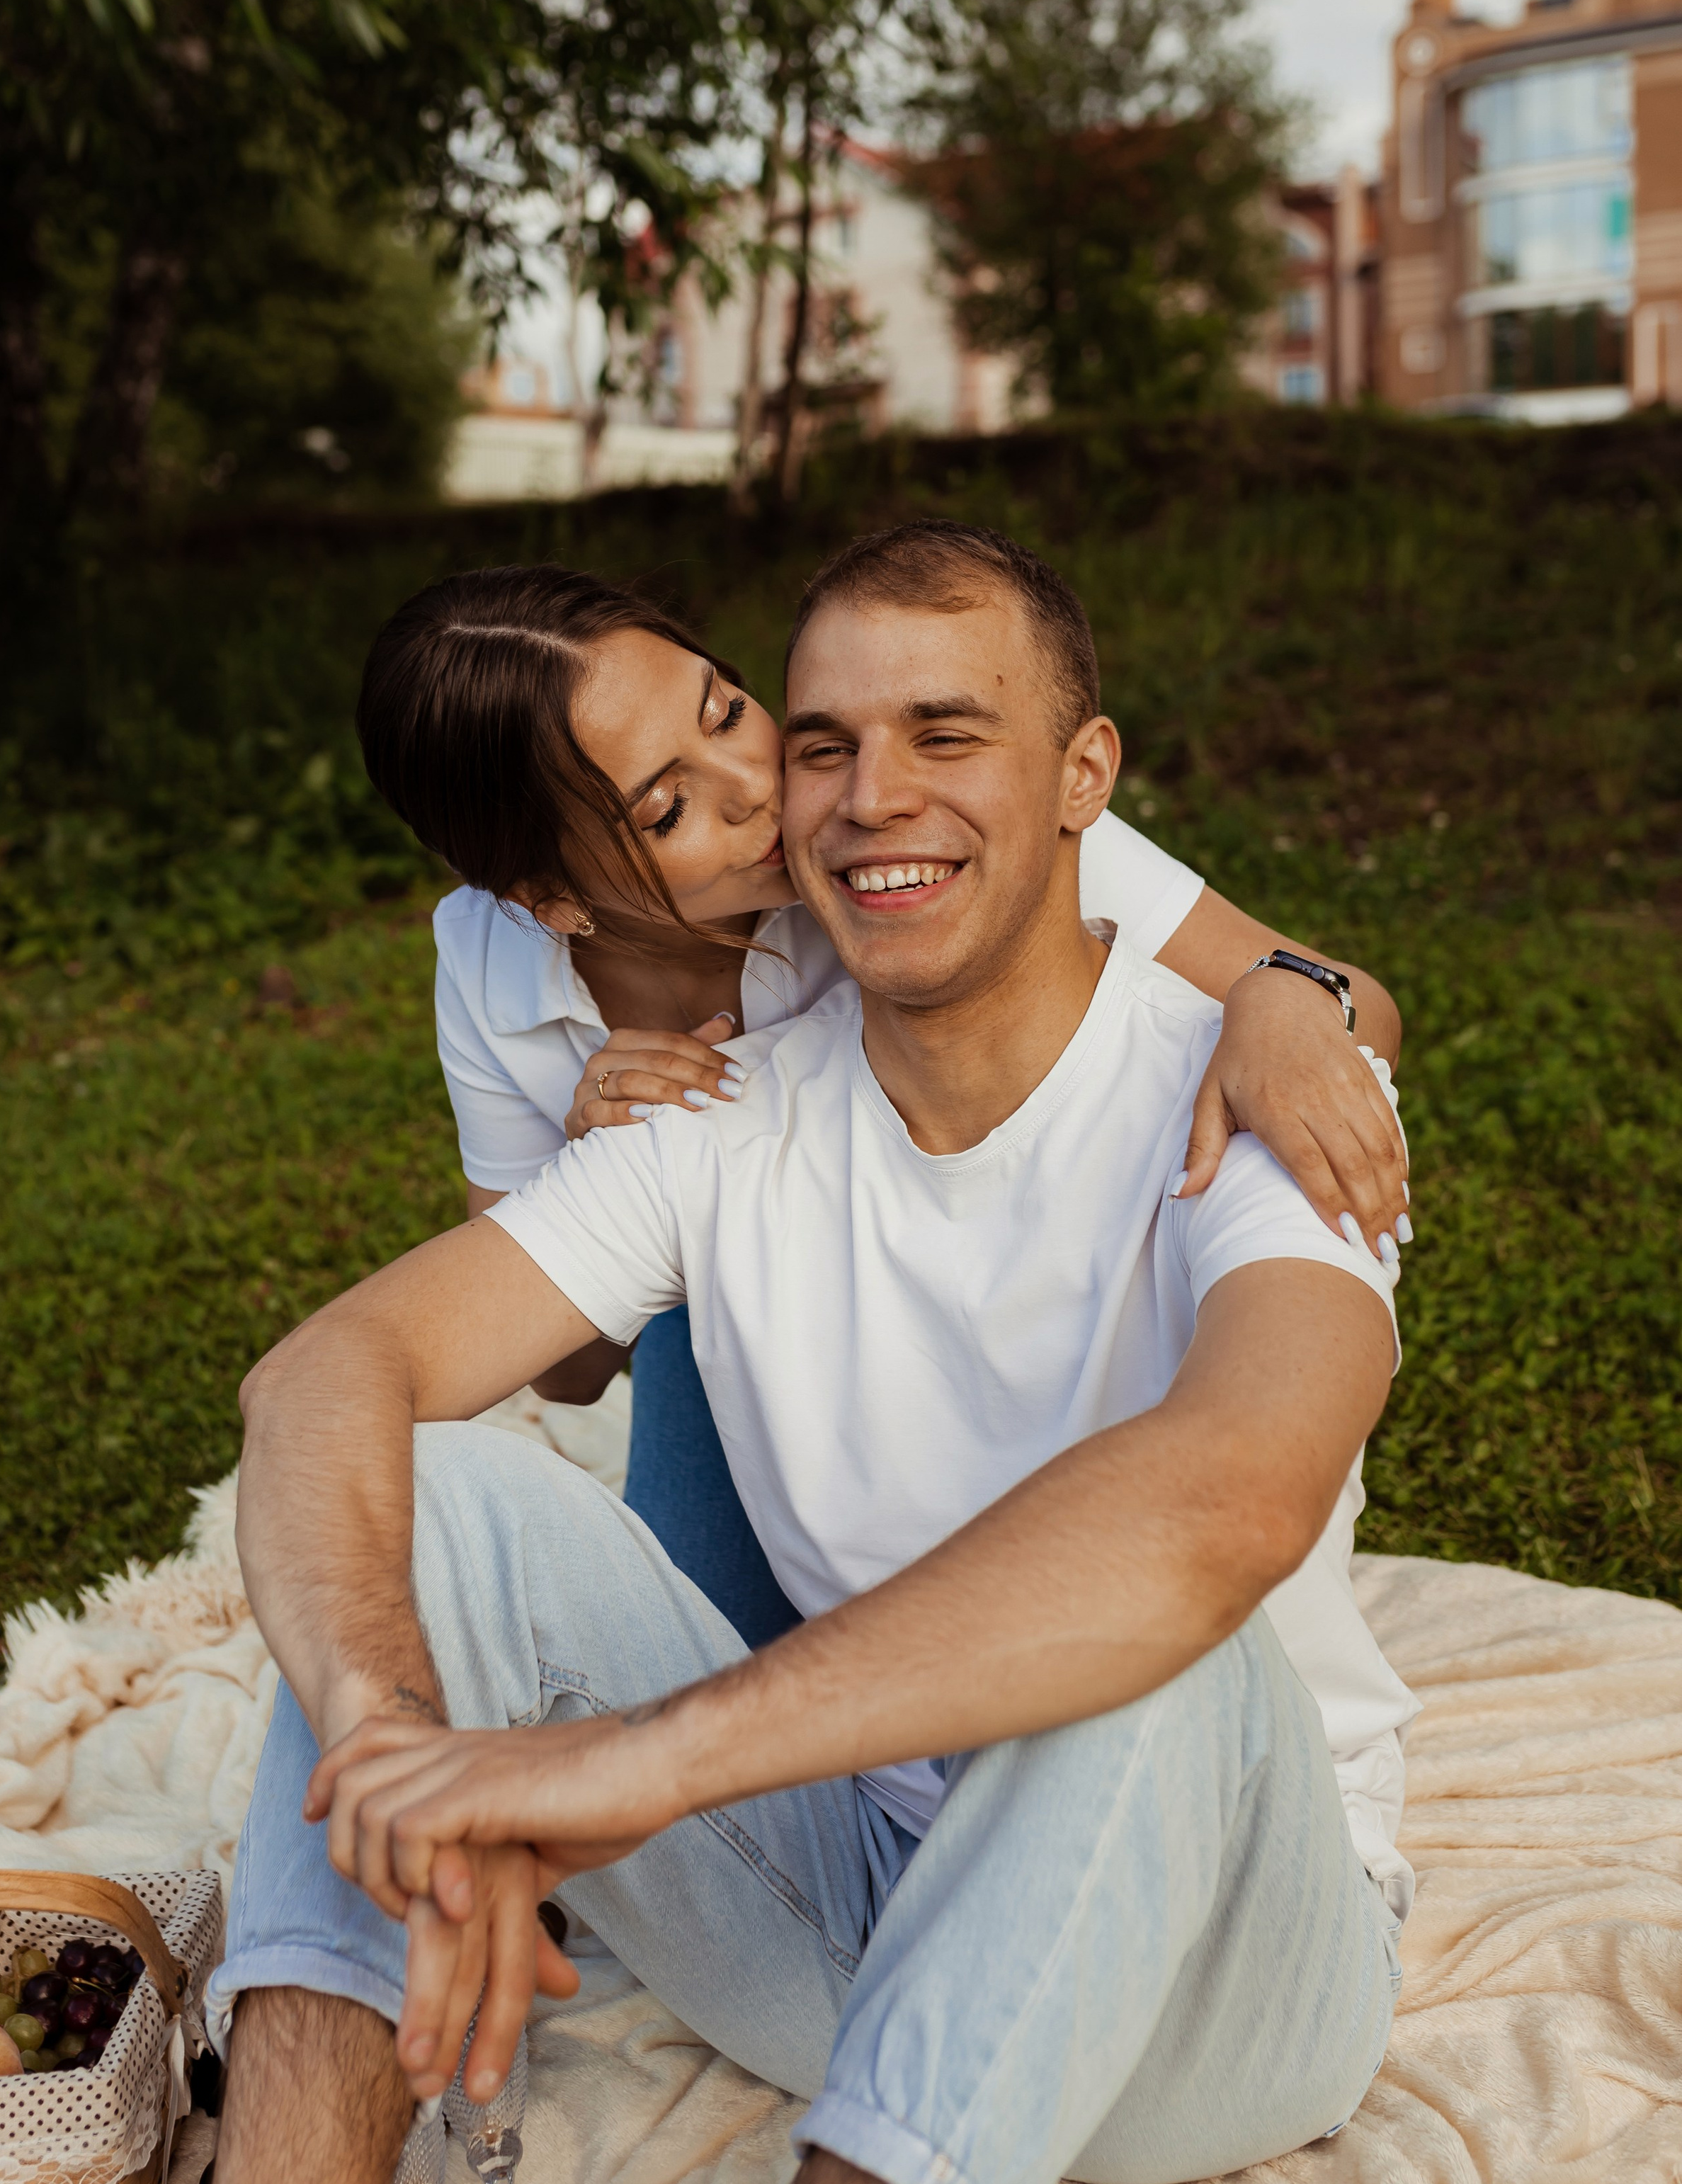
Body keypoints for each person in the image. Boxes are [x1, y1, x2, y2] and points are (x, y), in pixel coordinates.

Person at [208, 521, 1415, 2184]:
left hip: (1220, 1990)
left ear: (1082, 779)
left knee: (1152, 1611)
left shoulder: (1257, 1101)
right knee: (434, 1495)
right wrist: (387, 1734)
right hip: (842, 1912)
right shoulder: (707, 1108)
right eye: (825, 742)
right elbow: (329, 1370)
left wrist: (639, 1761)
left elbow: (1227, 1499)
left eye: (943, 734)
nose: (854, 799)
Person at [356, 563, 1411, 1649]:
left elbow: (1357, 1010)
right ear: (553, 900)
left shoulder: (908, 839)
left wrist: (1278, 1000)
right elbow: (562, 1371)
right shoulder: (491, 968)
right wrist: (589, 1168)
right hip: (742, 1322)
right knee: (690, 1653)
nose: (758, 784)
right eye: (669, 807)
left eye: (725, 710)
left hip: (994, 1257)